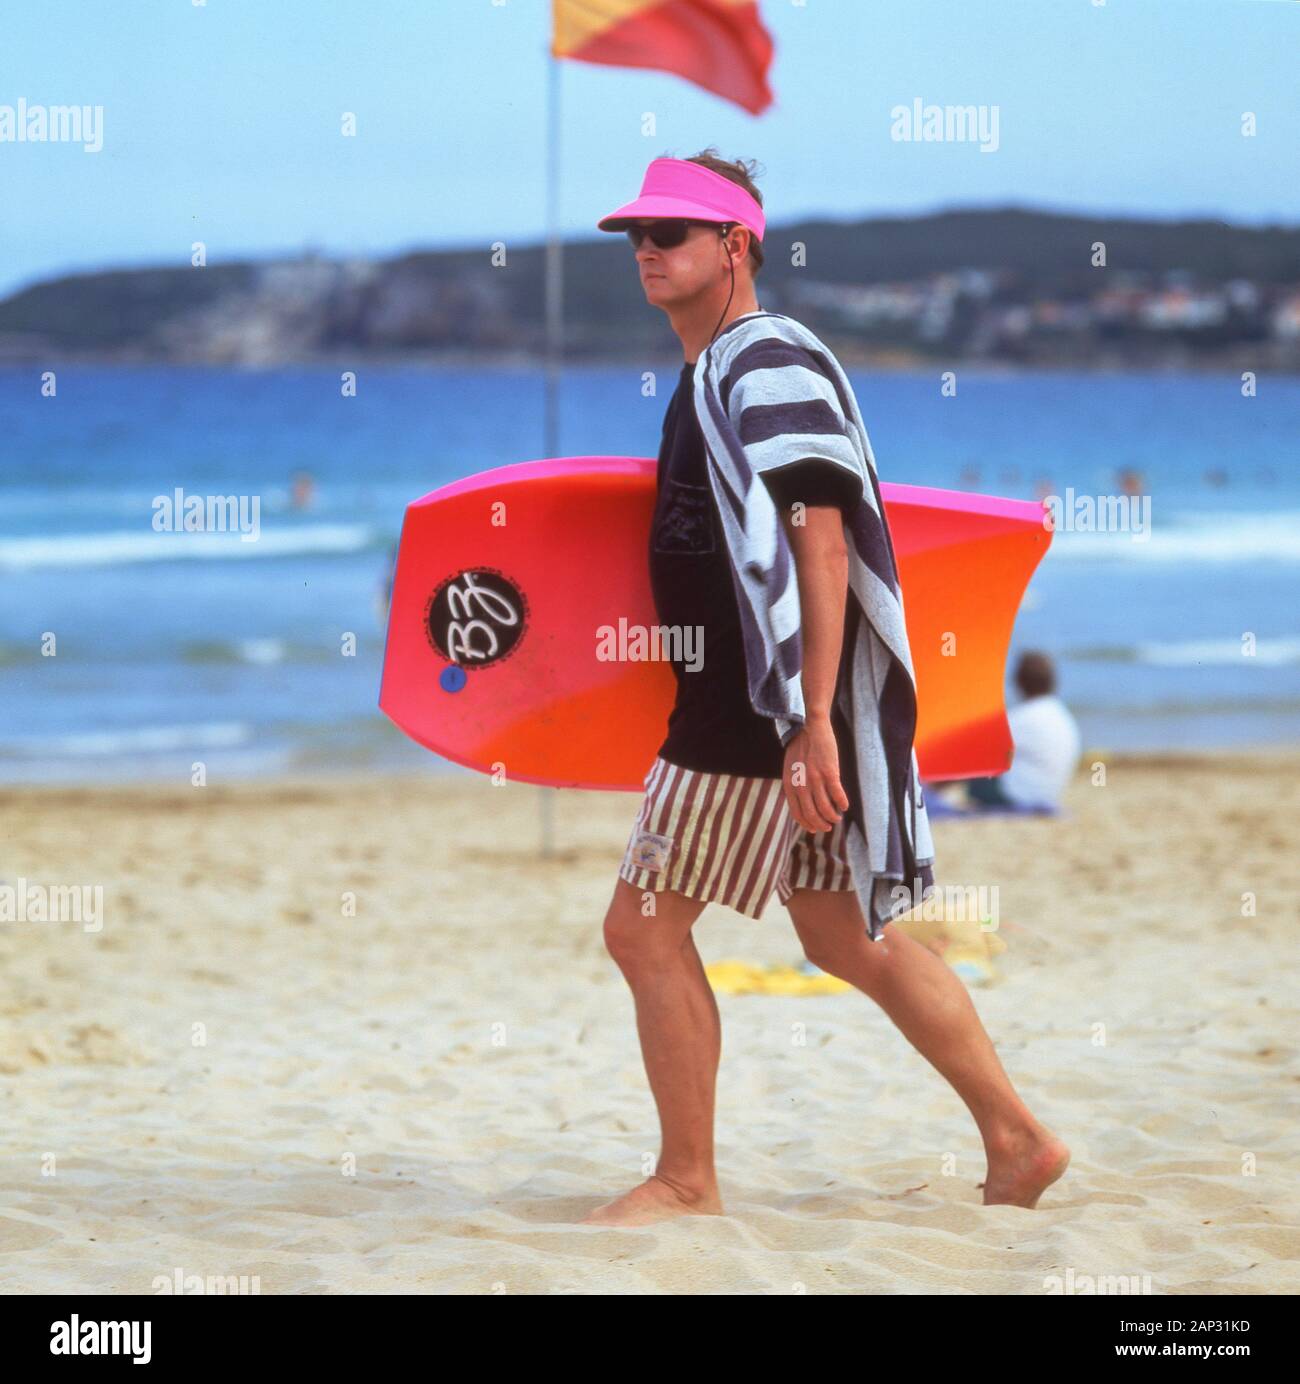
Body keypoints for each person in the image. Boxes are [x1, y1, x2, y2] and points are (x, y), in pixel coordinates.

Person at [583, 150, 1069, 1227]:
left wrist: (808, 723)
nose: (648, 251)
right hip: (776, 713)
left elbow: (824, 541)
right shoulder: (719, 367)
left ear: (737, 245)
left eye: (672, 232)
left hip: (751, 719)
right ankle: (1017, 1138)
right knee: (847, 938)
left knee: (643, 929)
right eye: (636, 237)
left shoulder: (763, 356)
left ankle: (685, 1177)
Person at [964, 652, 1081, 812]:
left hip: (1017, 794)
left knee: (975, 773)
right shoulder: (1062, 715)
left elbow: (980, 750)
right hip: (1051, 792)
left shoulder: (1023, 717)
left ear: (1019, 681)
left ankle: (931, 789)